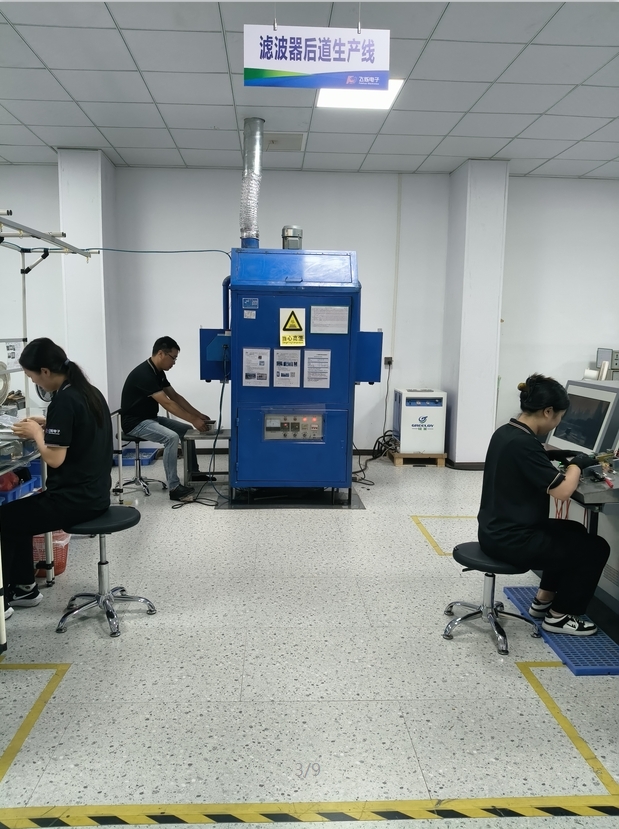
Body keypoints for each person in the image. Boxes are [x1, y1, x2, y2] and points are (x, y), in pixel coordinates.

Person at [478, 373, 610, 636]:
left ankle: (543, 599)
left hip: (496, 530)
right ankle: (561, 616)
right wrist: (577, 465)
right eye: (559, 416)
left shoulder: (506, 432)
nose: (558, 422)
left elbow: (529, 459)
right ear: (548, 411)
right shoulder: (524, 444)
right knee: (595, 548)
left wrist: (557, 455)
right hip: (513, 541)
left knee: (573, 530)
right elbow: (562, 491)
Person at [1, 338, 112, 620]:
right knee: (19, 516)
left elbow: (54, 459)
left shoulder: (64, 400)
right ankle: (25, 589)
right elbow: (80, 430)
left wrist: (37, 434)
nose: (34, 382)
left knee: (4, 520)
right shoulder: (88, 392)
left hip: (73, 500)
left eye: (32, 377)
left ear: (45, 372)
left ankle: (4, 601)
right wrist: (48, 425)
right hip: (95, 494)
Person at [120, 336, 213, 502]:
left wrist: (198, 415)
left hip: (150, 418)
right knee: (171, 438)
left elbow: (175, 396)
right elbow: (167, 403)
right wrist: (193, 419)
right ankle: (174, 488)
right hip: (135, 423)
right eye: (173, 358)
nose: (174, 362)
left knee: (186, 430)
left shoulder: (158, 372)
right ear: (161, 354)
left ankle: (194, 473)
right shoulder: (144, 374)